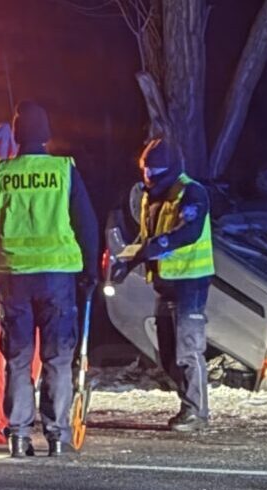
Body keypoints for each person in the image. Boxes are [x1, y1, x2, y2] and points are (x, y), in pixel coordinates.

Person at [0, 101, 99, 458]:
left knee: (17, 358)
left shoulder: (0, 174)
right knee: (58, 358)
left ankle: (18, 434)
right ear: (45, 135)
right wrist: (91, 272)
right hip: (58, 279)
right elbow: (85, 224)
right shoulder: (64, 172)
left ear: (16, 134)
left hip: (14, 279)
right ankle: (58, 436)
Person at [111, 137, 215, 431]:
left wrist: (157, 246)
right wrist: (126, 263)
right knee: (168, 353)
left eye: (155, 171)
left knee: (187, 349)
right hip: (165, 283)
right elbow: (145, 240)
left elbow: (189, 232)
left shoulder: (191, 192)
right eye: (146, 170)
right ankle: (188, 406)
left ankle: (197, 413)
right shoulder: (150, 197)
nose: (149, 176)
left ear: (170, 168)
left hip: (190, 283)